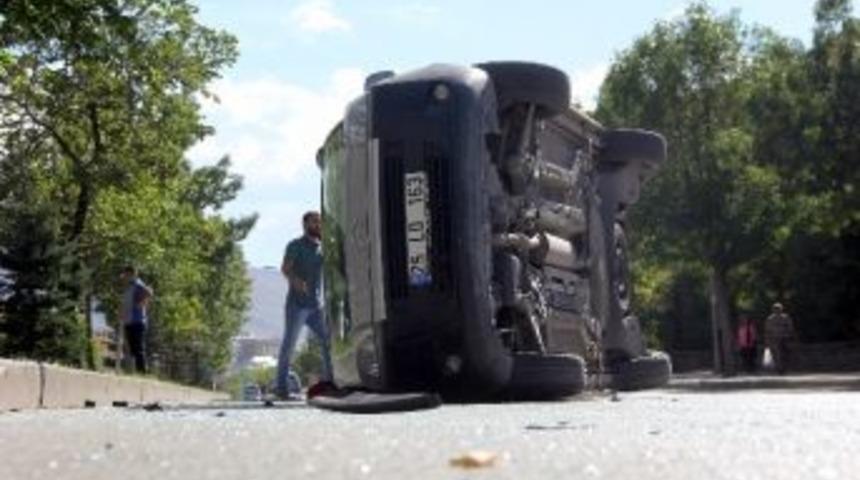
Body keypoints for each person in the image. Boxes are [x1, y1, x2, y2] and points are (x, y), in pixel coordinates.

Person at [275, 211, 333, 399]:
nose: (318, 225)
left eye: (320, 223)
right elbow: (285, 269)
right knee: (289, 346)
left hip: (316, 306)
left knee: (328, 342)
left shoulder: (321, 248)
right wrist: (296, 281)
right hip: (297, 306)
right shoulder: (295, 245)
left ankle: (331, 384)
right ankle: (281, 389)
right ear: (305, 225)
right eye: (314, 222)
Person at [120, 265, 153, 374]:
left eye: (126, 274)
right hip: (129, 321)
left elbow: (149, 292)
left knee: (138, 348)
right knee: (132, 348)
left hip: (137, 321)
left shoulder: (137, 284)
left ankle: (143, 372)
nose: (124, 276)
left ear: (132, 274)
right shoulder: (129, 286)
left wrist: (142, 303)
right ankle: (136, 371)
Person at [764, 302, 795, 374]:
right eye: (775, 309)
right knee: (777, 354)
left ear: (781, 309)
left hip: (784, 338)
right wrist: (767, 340)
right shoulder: (770, 319)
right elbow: (767, 330)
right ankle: (779, 369)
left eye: (778, 309)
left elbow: (790, 328)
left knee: (785, 354)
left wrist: (789, 335)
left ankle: (784, 368)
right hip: (774, 339)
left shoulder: (786, 317)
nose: (777, 310)